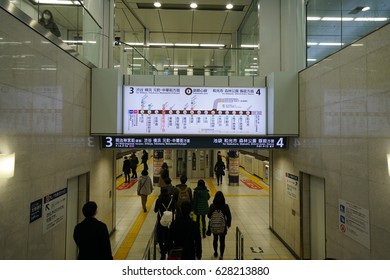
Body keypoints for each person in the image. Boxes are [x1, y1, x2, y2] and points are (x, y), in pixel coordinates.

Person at [207, 191, 231, 260]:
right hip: (222, 227)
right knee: (222, 241)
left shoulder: (212, 206)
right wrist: (228, 224)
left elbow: (209, 216)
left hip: (214, 226)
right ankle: (221, 255)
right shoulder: (225, 206)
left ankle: (215, 252)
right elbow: (229, 216)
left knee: (215, 239)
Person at [154, 187, 174, 260]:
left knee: (160, 237)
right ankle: (167, 251)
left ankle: (162, 252)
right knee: (168, 237)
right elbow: (174, 209)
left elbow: (155, 210)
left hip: (161, 221)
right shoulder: (171, 200)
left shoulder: (158, 200)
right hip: (169, 222)